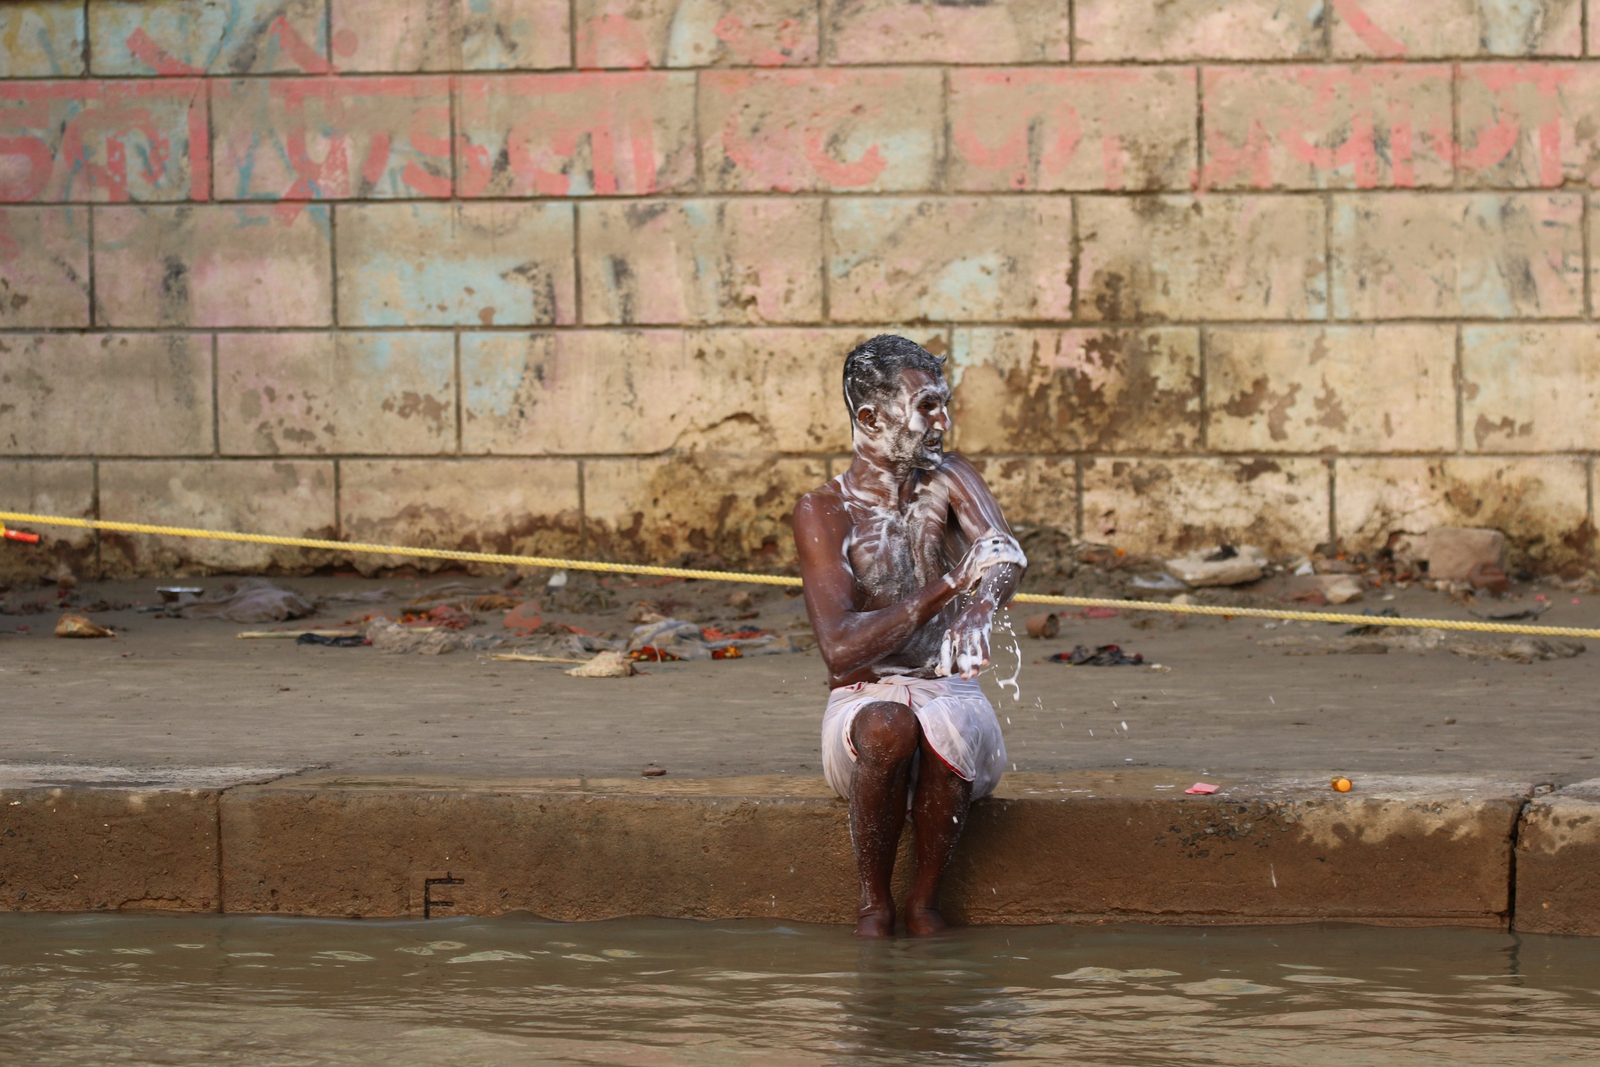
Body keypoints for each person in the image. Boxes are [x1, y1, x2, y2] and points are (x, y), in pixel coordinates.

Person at [792, 334, 1027, 938]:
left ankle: (925, 903)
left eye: (943, 404)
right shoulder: (824, 510)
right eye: (926, 406)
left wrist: (982, 608)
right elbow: (840, 649)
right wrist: (951, 587)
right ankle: (874, 904)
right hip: (862, 706)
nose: (942, 420)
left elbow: (1003, 554)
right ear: (870, 418)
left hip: (949, 694)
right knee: (888, 725)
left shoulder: (947, 477)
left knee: (940, 723)